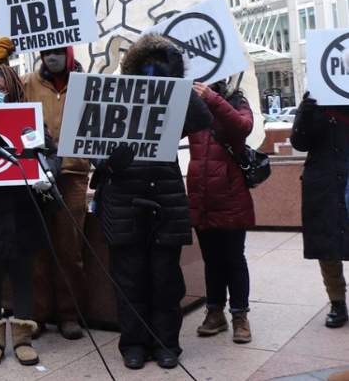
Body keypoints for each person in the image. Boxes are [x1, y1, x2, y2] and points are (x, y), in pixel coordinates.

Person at [91, 34, 212, 370]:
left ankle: (166, 344)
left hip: (165, 199)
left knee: (165, 279)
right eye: (146, 64)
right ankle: (134, 344)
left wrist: (178, 84)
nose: (151, 70)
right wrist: (110, 162)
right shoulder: (113, 96)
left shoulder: (175, 98)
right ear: (132, 67)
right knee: (130, 281)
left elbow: (202, 121)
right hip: (123, 202)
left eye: (159, 65)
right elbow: (91, 147)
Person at [0, 65, 60, 368]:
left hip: (23, 209)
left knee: (24, 276)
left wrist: (48, 171)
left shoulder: (28, 119)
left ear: (12, 90)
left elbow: (51, 153)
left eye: (0, 89)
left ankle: (23, 338)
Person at [22, 44, 91, 341]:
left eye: (58, 51)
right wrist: (0, 65)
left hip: (73, 174)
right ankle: (37, 315)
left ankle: (68, 315)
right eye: (46, 52)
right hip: (36, 174)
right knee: (37, 249)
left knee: (69, 250)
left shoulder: (87, 84)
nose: (51, 57)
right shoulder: (25, 82)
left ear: (70, 53)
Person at [188, 79, 256, 343]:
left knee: (233, 258)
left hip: (230, 194)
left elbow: (243, 127)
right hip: (201, 193)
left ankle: (240, 314)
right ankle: (215, 312)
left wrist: (212, 99)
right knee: (211, 259)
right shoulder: (190, 102)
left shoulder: (236, 100)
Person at [291, 91, 349, 328]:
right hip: (322, 183)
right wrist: (305, 112)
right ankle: (337, 302)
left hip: (347, 179)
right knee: (327, 246)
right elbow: (299, 142)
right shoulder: (313, 103)